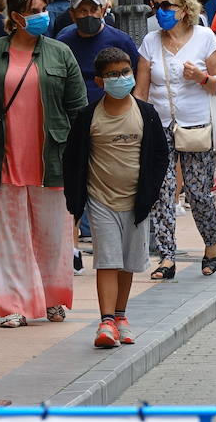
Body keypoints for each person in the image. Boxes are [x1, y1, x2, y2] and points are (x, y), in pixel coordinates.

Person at [0, 0, 87, 327]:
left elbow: (79, 109)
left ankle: (54, 299)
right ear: (15, 17)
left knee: (53, 235)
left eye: (43, 9)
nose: (42, 16)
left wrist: (80, 152)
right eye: (33, 12)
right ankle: (15, 304)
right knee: (7, 237)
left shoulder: (60, 54)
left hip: (51, 160)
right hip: (0, 158)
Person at [63, 47, 169, 349]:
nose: (120, 78)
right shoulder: (88, 117)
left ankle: (121, 316)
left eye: (125, 72)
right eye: (112, 74)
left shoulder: (145, 114)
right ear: (99, 81)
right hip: (101, 201)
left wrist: (150, 193)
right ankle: (106, 321)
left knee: (127, 264)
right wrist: (75, 202)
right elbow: (73, 159)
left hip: (136, 203)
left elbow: (160, 155)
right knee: (107, 261)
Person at [137, 0, 216, 278]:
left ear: (184, 10)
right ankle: (167, 256)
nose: (160, 11)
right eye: (157, 5)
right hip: (159, 126)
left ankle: (211, 244)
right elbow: (141, 91)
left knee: (198, 192)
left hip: (197, 124)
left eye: (166, 6)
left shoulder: (205, 38)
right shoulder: (150, 41)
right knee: (162, 192)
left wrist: (201, 77)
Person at [57, 0, 139, 103]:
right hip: (77, 114)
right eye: (83, 11)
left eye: (94, 9)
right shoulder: (63, 44)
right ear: (73, 15)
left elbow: (136, 75)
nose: (89, 15)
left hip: (115, 111)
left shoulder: (121, 41)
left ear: (103, 11)